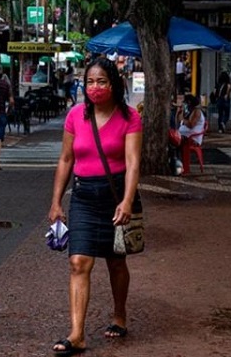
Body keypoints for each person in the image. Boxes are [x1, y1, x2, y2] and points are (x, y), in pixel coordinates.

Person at [47, 57, 142, 356]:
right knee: (78, 262)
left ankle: (119, 314)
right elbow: (65, 159)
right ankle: (77, 335)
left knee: (115, 262)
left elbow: (132, 162)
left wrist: (127, 200)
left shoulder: (129, 117)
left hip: (115, 196)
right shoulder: (75, 115)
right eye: (90, 81)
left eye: (101, 81)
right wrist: (56, 201)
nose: (95, 87)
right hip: (84, 197)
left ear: (113, 83)